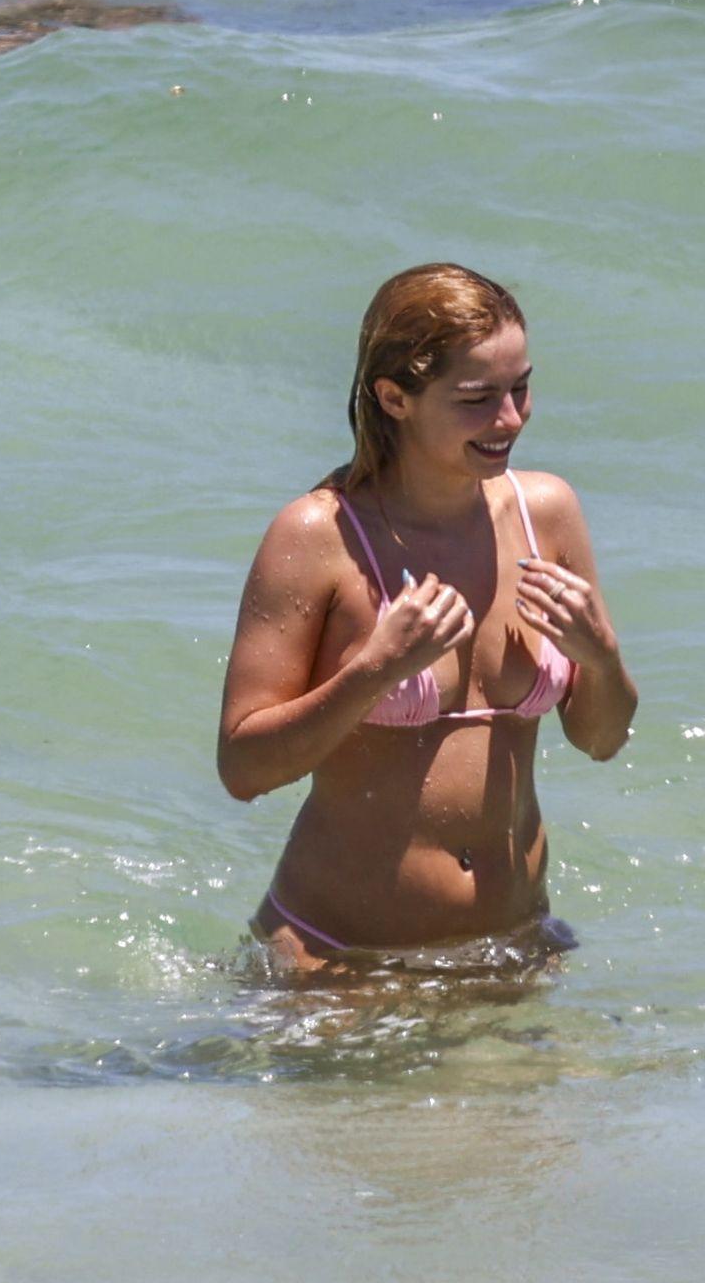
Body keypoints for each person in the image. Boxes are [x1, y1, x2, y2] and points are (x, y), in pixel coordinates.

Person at [217, 263, 637, 971]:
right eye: (477, 399)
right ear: (395, 398)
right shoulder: (319, 536)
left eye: (520, 388)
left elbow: (601, 740)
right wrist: (376, 671)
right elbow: (243, 768)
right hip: (341, 962)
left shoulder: (546, 514)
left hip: (511, 951)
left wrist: (599, 657)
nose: (510, 419)